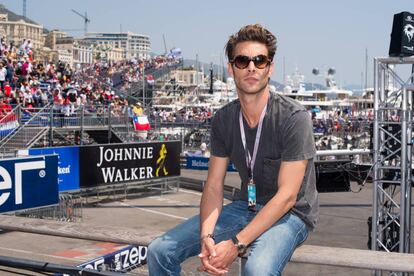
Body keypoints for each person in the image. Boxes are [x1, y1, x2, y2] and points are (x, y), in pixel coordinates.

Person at [147, 24, 318, 275]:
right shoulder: (223, 119)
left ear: (270, 68)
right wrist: (206, 235)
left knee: (257, 270)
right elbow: (214, 186)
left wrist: (236, 243)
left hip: (291, 214)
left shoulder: (293, 117)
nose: (251, 67)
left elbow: (287, 197)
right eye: (242, 60)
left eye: (260, 61)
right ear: (231, 68)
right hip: (246, 206)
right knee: (159, 252)